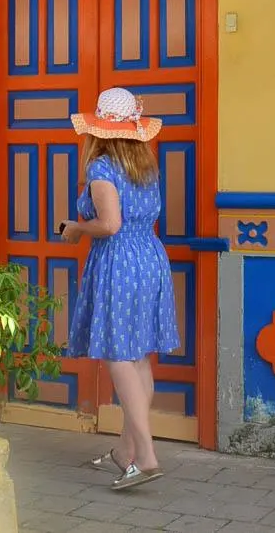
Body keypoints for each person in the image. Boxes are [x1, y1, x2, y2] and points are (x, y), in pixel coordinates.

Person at [61, 87, 180, 491]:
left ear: (99, 129)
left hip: (119, 262)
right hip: (150, 256)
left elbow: (109, 225)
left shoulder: (102, 170)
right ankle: (126, 451)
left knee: (117, 354)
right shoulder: (146, 168)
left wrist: (77, 228)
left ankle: (145, 457)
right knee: (140, 357)